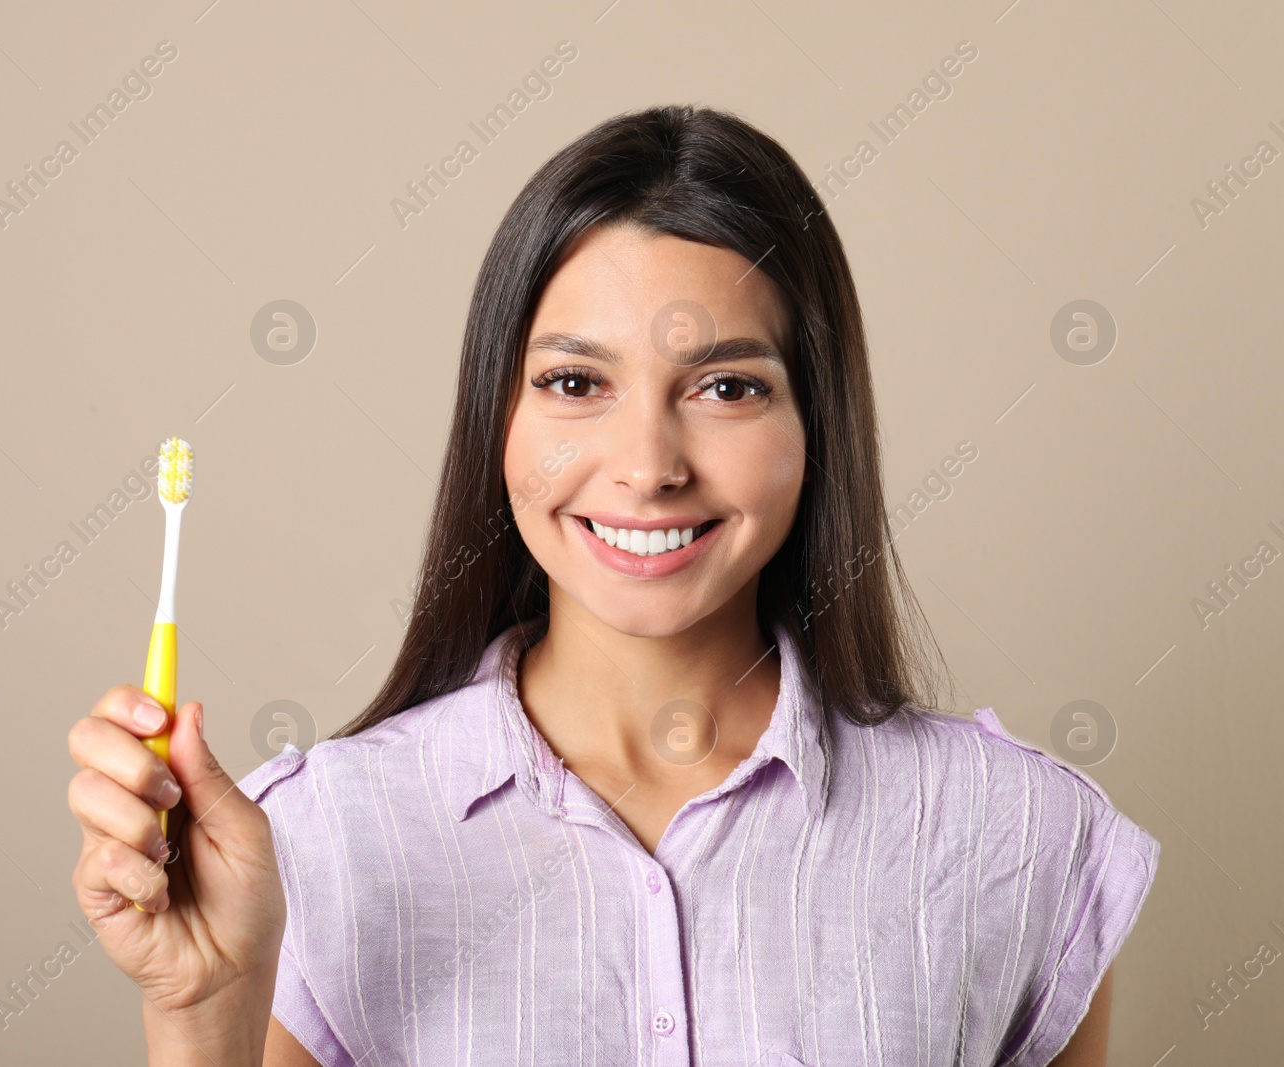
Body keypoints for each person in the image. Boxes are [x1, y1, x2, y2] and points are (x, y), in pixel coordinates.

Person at [67, 104, 1159, 1066]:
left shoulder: (1015, 834)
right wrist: (203, 1015)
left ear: (816, 425)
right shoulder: (306, 844)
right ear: (495, 419)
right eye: (574, 381)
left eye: (727, 385)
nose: (647, 464)